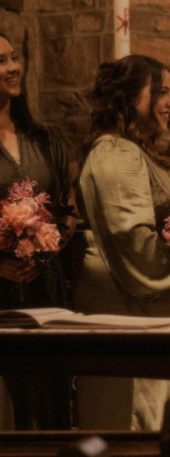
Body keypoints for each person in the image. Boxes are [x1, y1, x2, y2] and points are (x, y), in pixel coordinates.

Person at [74, 55, 170, 457]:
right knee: (134, 424)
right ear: (126, 96)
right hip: (127, 309)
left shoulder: (138, 152)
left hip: (145, 309)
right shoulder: (114, 152)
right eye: (160, 91)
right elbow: (130, 235)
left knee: (157, 423)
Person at [0, 31, 73, 309]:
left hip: (45, 285)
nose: (14, 67)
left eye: (15, 58)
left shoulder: (44, 138)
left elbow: (67, 205)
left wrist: (47, 250)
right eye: (1, 60)